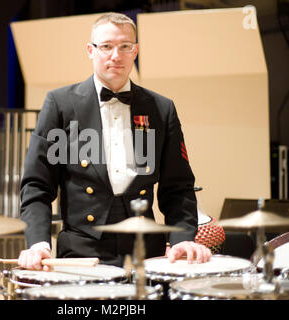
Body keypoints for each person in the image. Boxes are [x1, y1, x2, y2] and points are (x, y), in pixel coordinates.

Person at [18, 12, 211, 270]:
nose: (116, 56)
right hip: (81, 253)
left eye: (125, 46)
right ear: (90, 50)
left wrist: (181, 240)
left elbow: (178, 188)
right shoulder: (61, 105)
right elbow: (37, 186)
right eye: (106, 46)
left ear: (135, 51)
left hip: (146, 252)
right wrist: (38, 243)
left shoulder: (161, 109)